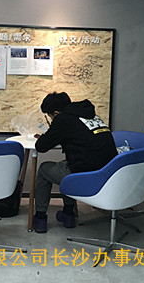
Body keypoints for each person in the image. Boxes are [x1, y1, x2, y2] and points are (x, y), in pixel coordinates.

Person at [32, 91, 117, 233]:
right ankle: (68, 214)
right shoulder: (90, 115)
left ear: (56, 113)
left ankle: (40, 219)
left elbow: (41, 147)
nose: (51, 119)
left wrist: (48, 135)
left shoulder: (62, 119)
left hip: (86, 175)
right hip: (108, 172)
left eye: (50, 116)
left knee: (44, 170)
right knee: (68, 165)